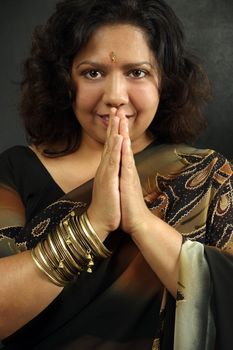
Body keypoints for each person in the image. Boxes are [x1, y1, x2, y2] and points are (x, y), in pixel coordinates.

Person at [0, 0, 232, 349]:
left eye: (136, 72)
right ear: (65, 81)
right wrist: (94, 224)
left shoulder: (205, 175)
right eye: (93, 72)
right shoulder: (15, 170)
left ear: (164, 82)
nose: (114, 96)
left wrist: (141, 222)